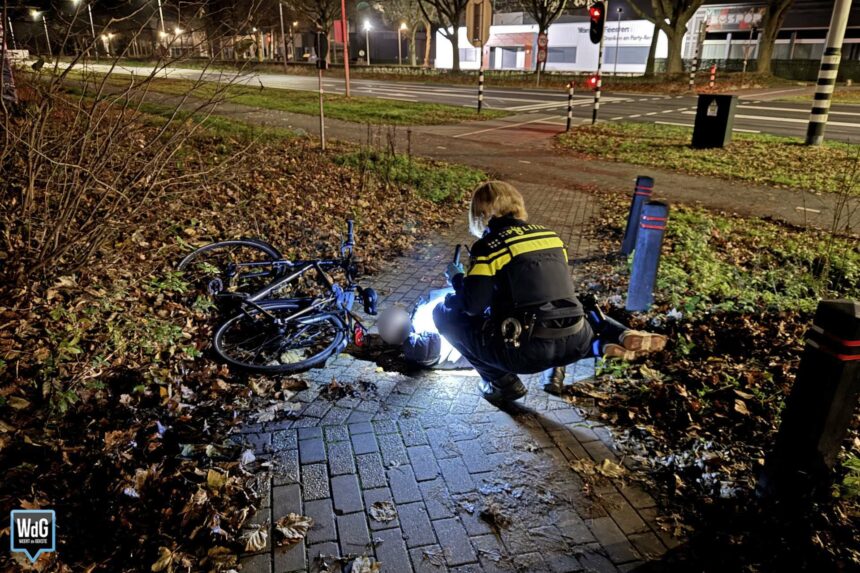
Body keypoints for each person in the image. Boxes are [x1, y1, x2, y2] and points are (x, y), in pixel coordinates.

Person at [432, 181, 667, 403]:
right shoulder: (550, 236)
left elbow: (473, 306)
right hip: (577, 339)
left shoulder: (488, 247)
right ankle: (609, 340)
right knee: (563, 306)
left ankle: (502, 383)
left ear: (479, 213)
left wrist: (458, 279)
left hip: (524, 353)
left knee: (443, 314)